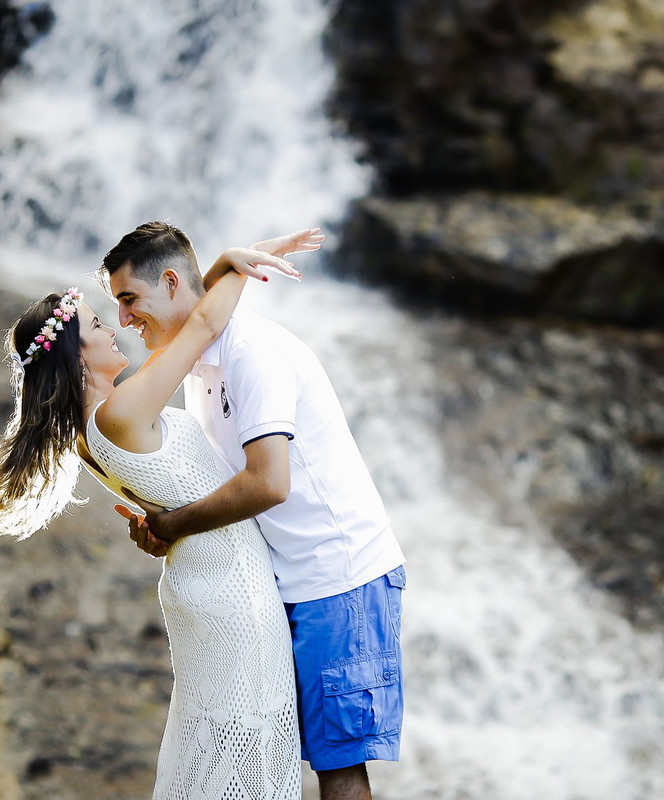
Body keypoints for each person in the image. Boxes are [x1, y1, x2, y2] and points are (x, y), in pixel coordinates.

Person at [0, 229, 320, 800]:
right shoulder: (121, 412)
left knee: (216, 751)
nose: (117, 326)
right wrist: (229, 264)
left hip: (204, 589)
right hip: (232, 594)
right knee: (242, 758)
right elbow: (202, 326)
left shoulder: (89, 432)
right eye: (99, 326)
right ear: (79, 355)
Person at [101, 221, 406, 800]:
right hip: (281, 583)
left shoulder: (252, 353)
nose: (123, 320)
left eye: (129, 300)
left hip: (336, 579)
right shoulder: (194, 362)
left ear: (169, 282)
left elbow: (269, 484)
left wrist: (175, 524)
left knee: (338, 768)